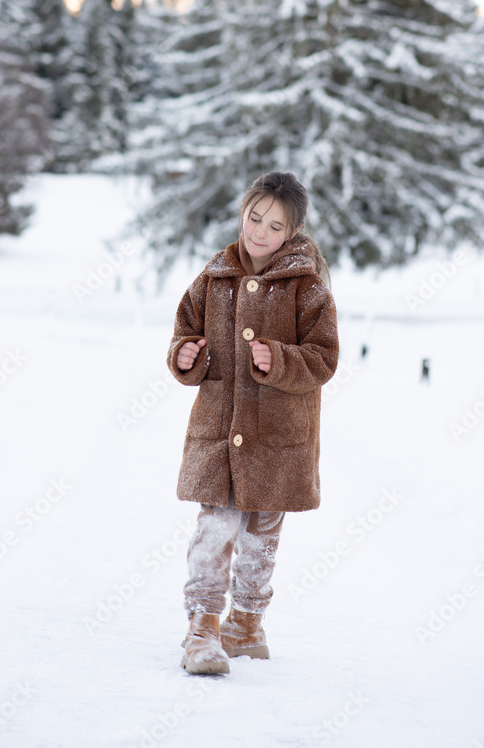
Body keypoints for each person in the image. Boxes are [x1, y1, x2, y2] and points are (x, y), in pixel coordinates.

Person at [166, 170, 339, 675]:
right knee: (215, 528)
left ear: (293, 232)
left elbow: (324, 359)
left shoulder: (308, 289)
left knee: (261, 537)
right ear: (243, 212)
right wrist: (185, 356)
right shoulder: (213, 277)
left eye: (275, 226)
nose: (260, 231)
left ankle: (246, 625)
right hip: (220, 434)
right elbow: (184, 333)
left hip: (277, 439)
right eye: (254, 218)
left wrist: (280, 360)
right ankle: (202, 628)